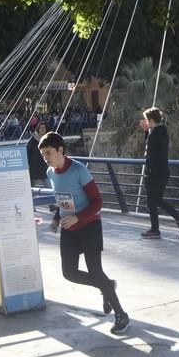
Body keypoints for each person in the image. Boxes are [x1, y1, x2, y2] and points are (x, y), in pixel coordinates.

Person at [39, 131, 130, 335]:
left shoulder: (79, 170)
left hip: (89, 226)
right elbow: (62, 199)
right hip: (68, 228)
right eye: (43, 155)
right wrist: (56, 219)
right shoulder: (50, 173)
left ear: (60, 150)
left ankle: (121, 315)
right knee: (69, 273)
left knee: (95, 271)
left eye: (48, 153)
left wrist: (78, 217)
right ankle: (107, 285)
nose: (46, 158)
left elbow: (98, 202)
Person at [139, 107, 179, 239]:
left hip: (155, 173)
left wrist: (149, 172)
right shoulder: (161, 133)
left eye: (146, 120)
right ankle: (174, 221)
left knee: (153, 201)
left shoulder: (154, 134)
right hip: (162, 172)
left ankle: (163, 226)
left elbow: (151, 154)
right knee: (156, 200)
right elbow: (153, 149)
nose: (145, 122)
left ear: (150, 120)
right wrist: (146, 132)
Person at [27, 121, 50, 187]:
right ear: (38, 129)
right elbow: (27, 151)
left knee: (49, 187)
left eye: (44, 128)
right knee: (34, 188)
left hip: (45, 166)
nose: (42, 129)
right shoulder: (33, 139)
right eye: (40, 128)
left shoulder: (48, 140)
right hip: (34, 167)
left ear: (46, 130)